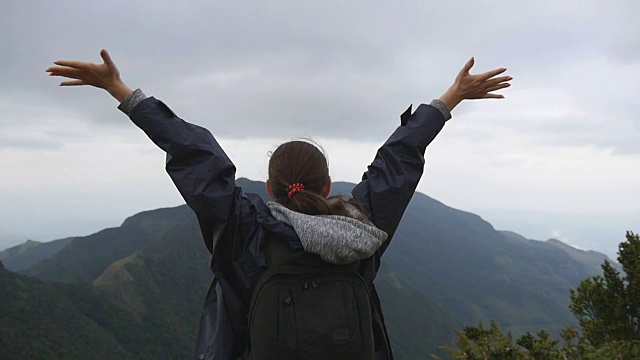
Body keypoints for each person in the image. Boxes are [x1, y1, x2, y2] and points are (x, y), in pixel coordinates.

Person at [46, 50, 511, 360]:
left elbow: (198, 158)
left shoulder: (243, 231)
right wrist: (449, 99)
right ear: (328, 185)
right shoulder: (363, 229)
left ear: (269, 189)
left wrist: (122, 92)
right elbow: (398, 162)